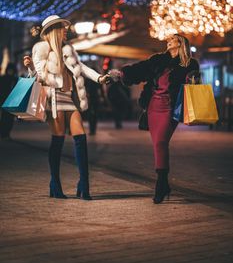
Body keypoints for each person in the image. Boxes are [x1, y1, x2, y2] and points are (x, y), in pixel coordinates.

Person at [23, 15, 109, 200]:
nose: (65, 31)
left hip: (69, 98)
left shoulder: (67, 49)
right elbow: (38, 74)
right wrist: (30, 68)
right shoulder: (41, 49)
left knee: (81, 137)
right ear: (53, 31)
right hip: (53, 99)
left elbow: (81, 67)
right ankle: (55, 182)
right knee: (58, 139)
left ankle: (84, 184)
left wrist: (100, 77)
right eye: (62, 28)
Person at [109, 34, 200, 204]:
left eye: (173, 39)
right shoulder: (158, 60)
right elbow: (140, 70)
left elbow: (194, 85)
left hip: (170, 108)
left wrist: (192, 80)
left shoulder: (189, 64)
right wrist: (122, 74)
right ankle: (164, 184)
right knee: (158, 144)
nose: (168, 40)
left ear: (180, 43)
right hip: (153, 107)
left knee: (161, 143)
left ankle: (161, 183)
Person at [0, 63, 18, 139]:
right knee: (4, 117)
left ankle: (6, 133)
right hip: (4, 100)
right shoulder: (4, 78)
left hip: (12, 101)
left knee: (10, 118)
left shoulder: (15, 79)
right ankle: (3, 133)